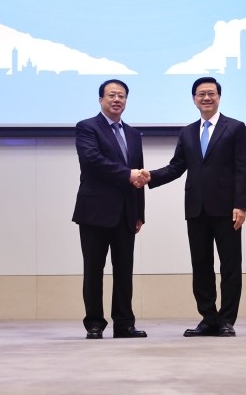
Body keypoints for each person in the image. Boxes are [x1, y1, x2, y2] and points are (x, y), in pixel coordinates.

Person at [145, 76, 246, 337]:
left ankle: (226, 320)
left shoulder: (235, 128)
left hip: (227, 209)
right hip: (196, 209)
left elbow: (242, 168)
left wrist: (241, 205)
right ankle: (208, 318)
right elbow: (177, 166)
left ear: (219, 97)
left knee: (230, 266)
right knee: (201, 266)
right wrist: (150, 176)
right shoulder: (187, 132)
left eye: (211, 93)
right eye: (201, 94)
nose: (206, 98)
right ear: (194, 99)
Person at [72, 79, 148, 340]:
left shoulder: (133, 134)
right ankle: (94, 323)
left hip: (126, 213)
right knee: (94, 270)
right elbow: (92, 160)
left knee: (124, 271)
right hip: (94, 212)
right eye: (112, 95)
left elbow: (138, 174)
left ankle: (124, 324)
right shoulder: (87, 127)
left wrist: (139, 212)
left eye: (122, 96)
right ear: (101, 100)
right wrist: (127, 174)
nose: (117, 100)